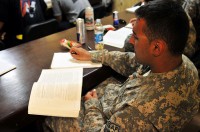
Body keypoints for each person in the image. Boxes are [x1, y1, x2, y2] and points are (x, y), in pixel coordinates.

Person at [44, 0, 199, 131]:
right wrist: (92, 55)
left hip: (109, 117)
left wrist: (92, 106)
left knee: (52, 115)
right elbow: (129, 60)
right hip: (118, 104)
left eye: (136, 37)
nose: (130, 41)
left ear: (157, 47)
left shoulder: (138, 110)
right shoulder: (183, 63)